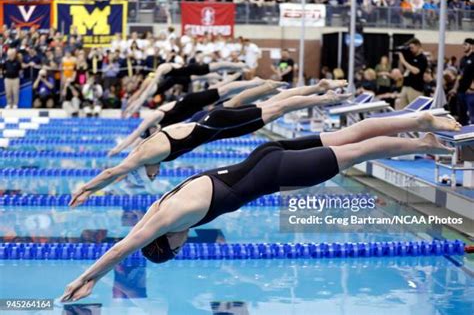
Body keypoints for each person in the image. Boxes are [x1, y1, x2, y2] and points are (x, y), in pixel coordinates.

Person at [61, 112, 460, 302]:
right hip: (264, 155)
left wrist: (89, 278)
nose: (186, 244)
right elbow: (130, 236)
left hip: (277, 171)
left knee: (358, 150)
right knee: (349, 135)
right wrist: (92, 187)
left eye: (178, 247)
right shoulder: (160, 205)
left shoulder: (168, 219)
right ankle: (421, 119)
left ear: (167, 242)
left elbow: (121, 248)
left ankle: (423, 142)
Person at [71, 80, 350, 202]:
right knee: (274, 105)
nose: (154, 176)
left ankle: (328, 97)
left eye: (151, 174)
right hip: (217, 126)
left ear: (146, 166)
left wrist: (86, 188)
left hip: (215, 123)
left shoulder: (145, 153)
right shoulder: (153, 150)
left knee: (277, 108)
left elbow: (114, 171)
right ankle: (317, 88)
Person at [110, 77, 271, 155]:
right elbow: (140, 143)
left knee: (223, 91)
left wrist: (118, 148)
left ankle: (253, 82)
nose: (153, 135)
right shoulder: (162, 130)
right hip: (195, 110)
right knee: (227, 98)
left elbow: (135, 134)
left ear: (151, 128)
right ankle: (257, 89)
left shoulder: (154, 118)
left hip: (189, 101)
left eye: (150, 133)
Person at [124, 62, 248, 117]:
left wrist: (132, 107)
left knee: (219, 67)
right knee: (214, 75)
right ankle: (238, 71)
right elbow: (141, 94)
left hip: (192, 70)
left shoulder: (161, 70)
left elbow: (143, 93)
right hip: (186, 77)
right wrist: (131, 107)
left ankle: (241, 66)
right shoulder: (158, 83)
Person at [397, 38, 428, 109]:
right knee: (402, 107)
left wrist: (404, 61)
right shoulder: (410, 57)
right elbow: (403, 70)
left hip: (415, 87)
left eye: (412, 47)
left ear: (418, 46)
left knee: (414, 109)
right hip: (406, 85)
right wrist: (401, 59)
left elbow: (416, 71)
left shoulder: (422, 58)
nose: (411, 49)